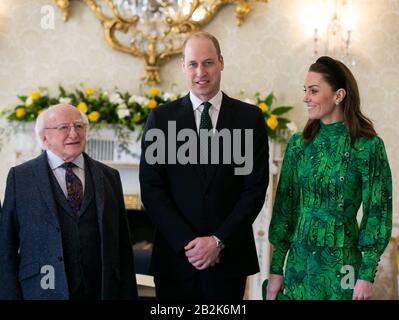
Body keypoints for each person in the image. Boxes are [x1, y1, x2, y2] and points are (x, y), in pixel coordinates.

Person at [139, 31, 269, 299]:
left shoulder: (249, 118)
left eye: (208, 62)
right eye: (193, 64)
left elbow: (254, 189)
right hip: (175, 259)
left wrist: (217, 241)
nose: (201, 72)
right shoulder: (161, 119)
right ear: (183, 67)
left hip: (229, 259)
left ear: (221, 62)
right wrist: (189, 244)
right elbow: (151, 189)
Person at [266, 56, 392, 300]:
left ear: (338, 95)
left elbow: (378, 212)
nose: (306, 97)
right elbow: (285, 210)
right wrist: (275, 270)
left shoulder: (367, 146)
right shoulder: (298, 145)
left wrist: (366, 276)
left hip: (343, 265)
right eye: (306, 90)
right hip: (299, 265)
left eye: (313, 91)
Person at [0, 104, 138, 300]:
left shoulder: (109, 176)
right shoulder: (20, 178)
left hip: (100, 292)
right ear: (44, 138)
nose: (74, 133)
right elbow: (6, 246)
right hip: (42, 290)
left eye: (79, 126)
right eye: (64, 127)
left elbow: (122, 245)